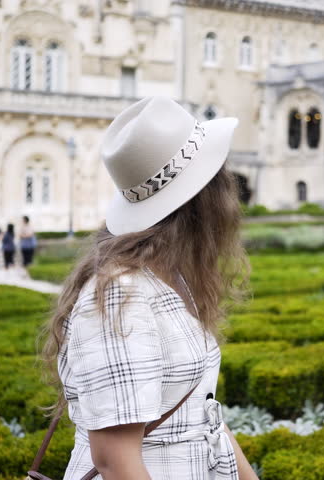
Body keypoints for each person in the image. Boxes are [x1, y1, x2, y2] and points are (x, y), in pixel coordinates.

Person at [39, 96, 259, 480]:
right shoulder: (120, 296)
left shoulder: (168, 277)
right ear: (200, 200)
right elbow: (114, 459)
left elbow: (203, 412)